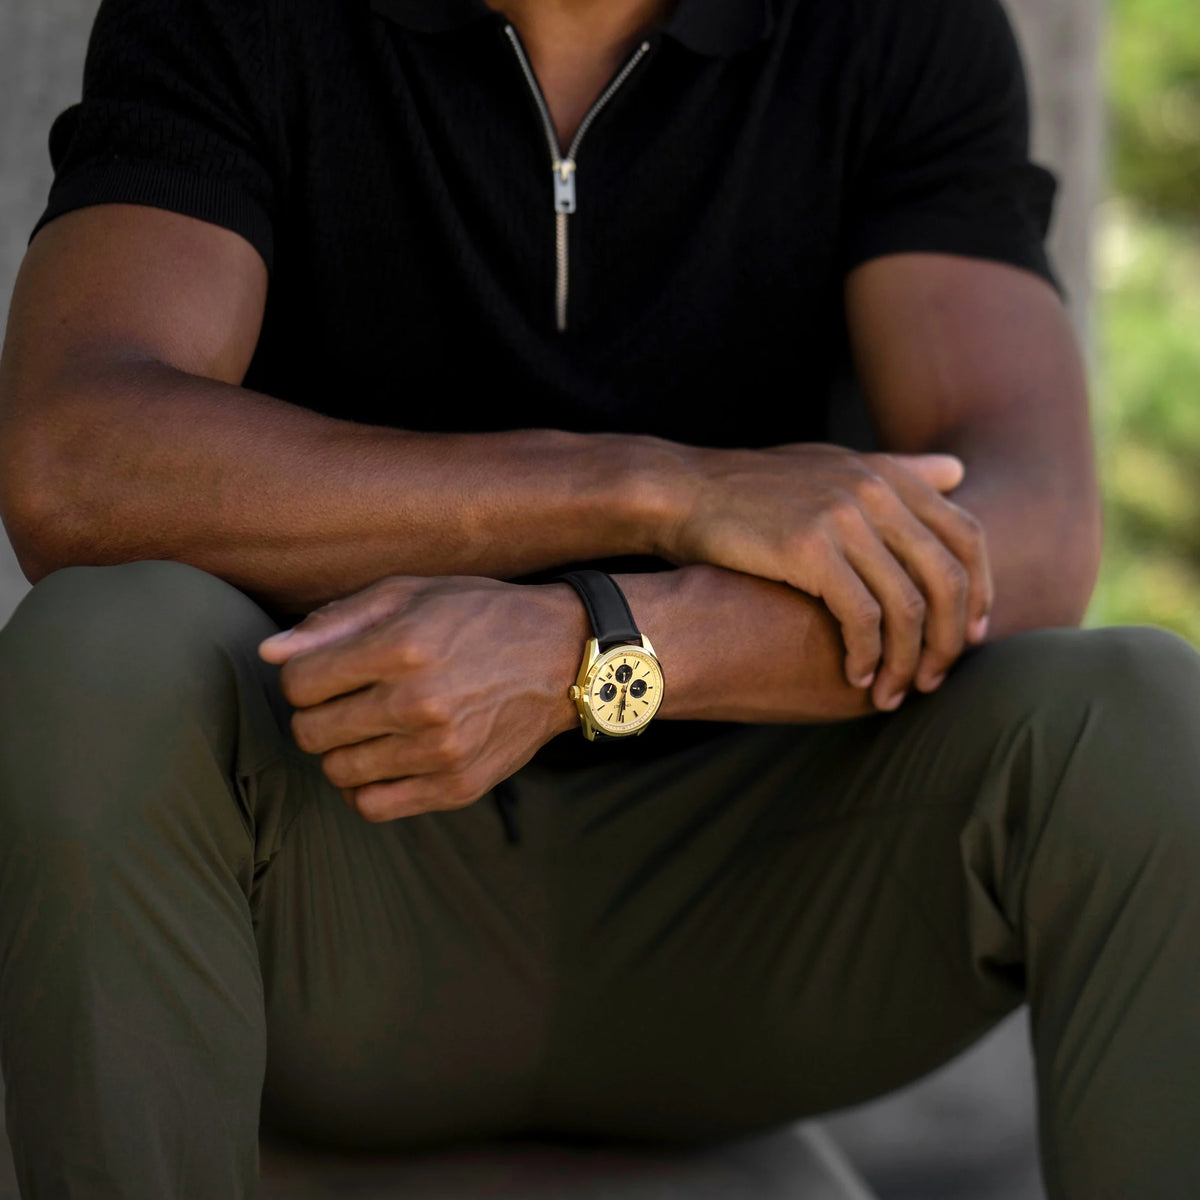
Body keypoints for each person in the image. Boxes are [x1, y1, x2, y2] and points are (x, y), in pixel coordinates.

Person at [1, 0, 1198, 1196]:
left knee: (1142, 713)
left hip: (763, 919)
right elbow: (77, 465)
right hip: (341, 883)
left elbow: (1027, 533)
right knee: (105, 650)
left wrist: (601, 641)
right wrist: (654, 487)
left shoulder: (896, 27)